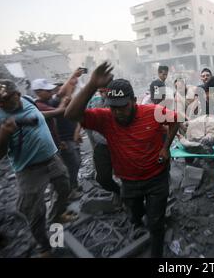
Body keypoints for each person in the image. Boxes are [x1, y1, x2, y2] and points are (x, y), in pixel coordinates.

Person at [65, 63, 180, 258]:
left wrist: (165, 147)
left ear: (134, 101)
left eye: (123, 107)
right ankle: (138, 219)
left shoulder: (152, 112)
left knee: (156, 223)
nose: (118, 112)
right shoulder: (105, 118)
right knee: (134, 214)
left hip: (156, 179)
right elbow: (71, 115)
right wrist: (92, 84)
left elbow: (175, 120)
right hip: (129, 181)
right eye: (113, 107)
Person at [0, 80, 73, 257]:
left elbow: (39, 116)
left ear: (17, 94)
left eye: (6, 99)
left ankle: (56, 218)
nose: (1, 104)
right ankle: (45, 247)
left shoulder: (27, 100)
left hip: (52, 159)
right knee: (34, 212)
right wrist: (4, 134)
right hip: (29, 171)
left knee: (64, 189)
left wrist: (59, 111)